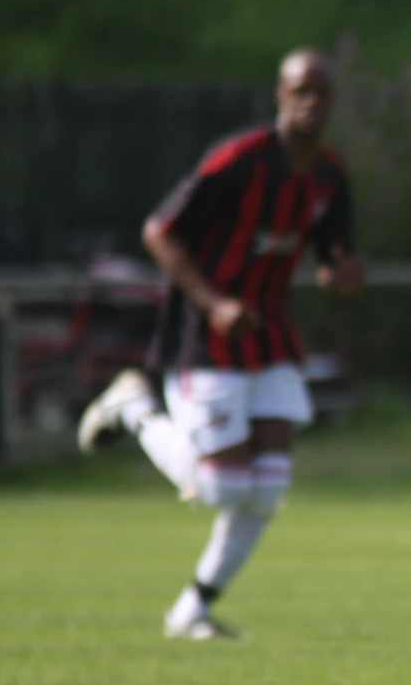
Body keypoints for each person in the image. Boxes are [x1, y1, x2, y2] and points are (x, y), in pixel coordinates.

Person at [76, 48, 367, 639]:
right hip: (204, 335)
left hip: (270, 334)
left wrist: (341, 275)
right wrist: (214, 303)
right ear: (281, 96)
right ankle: (132, 408)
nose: (311, 102)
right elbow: (159, 232)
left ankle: (192, 610)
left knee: (269, 489)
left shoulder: (330, 176)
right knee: (223, 487)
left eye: (322, 92)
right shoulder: (240, 160)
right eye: (300, 90)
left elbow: (333, 257)